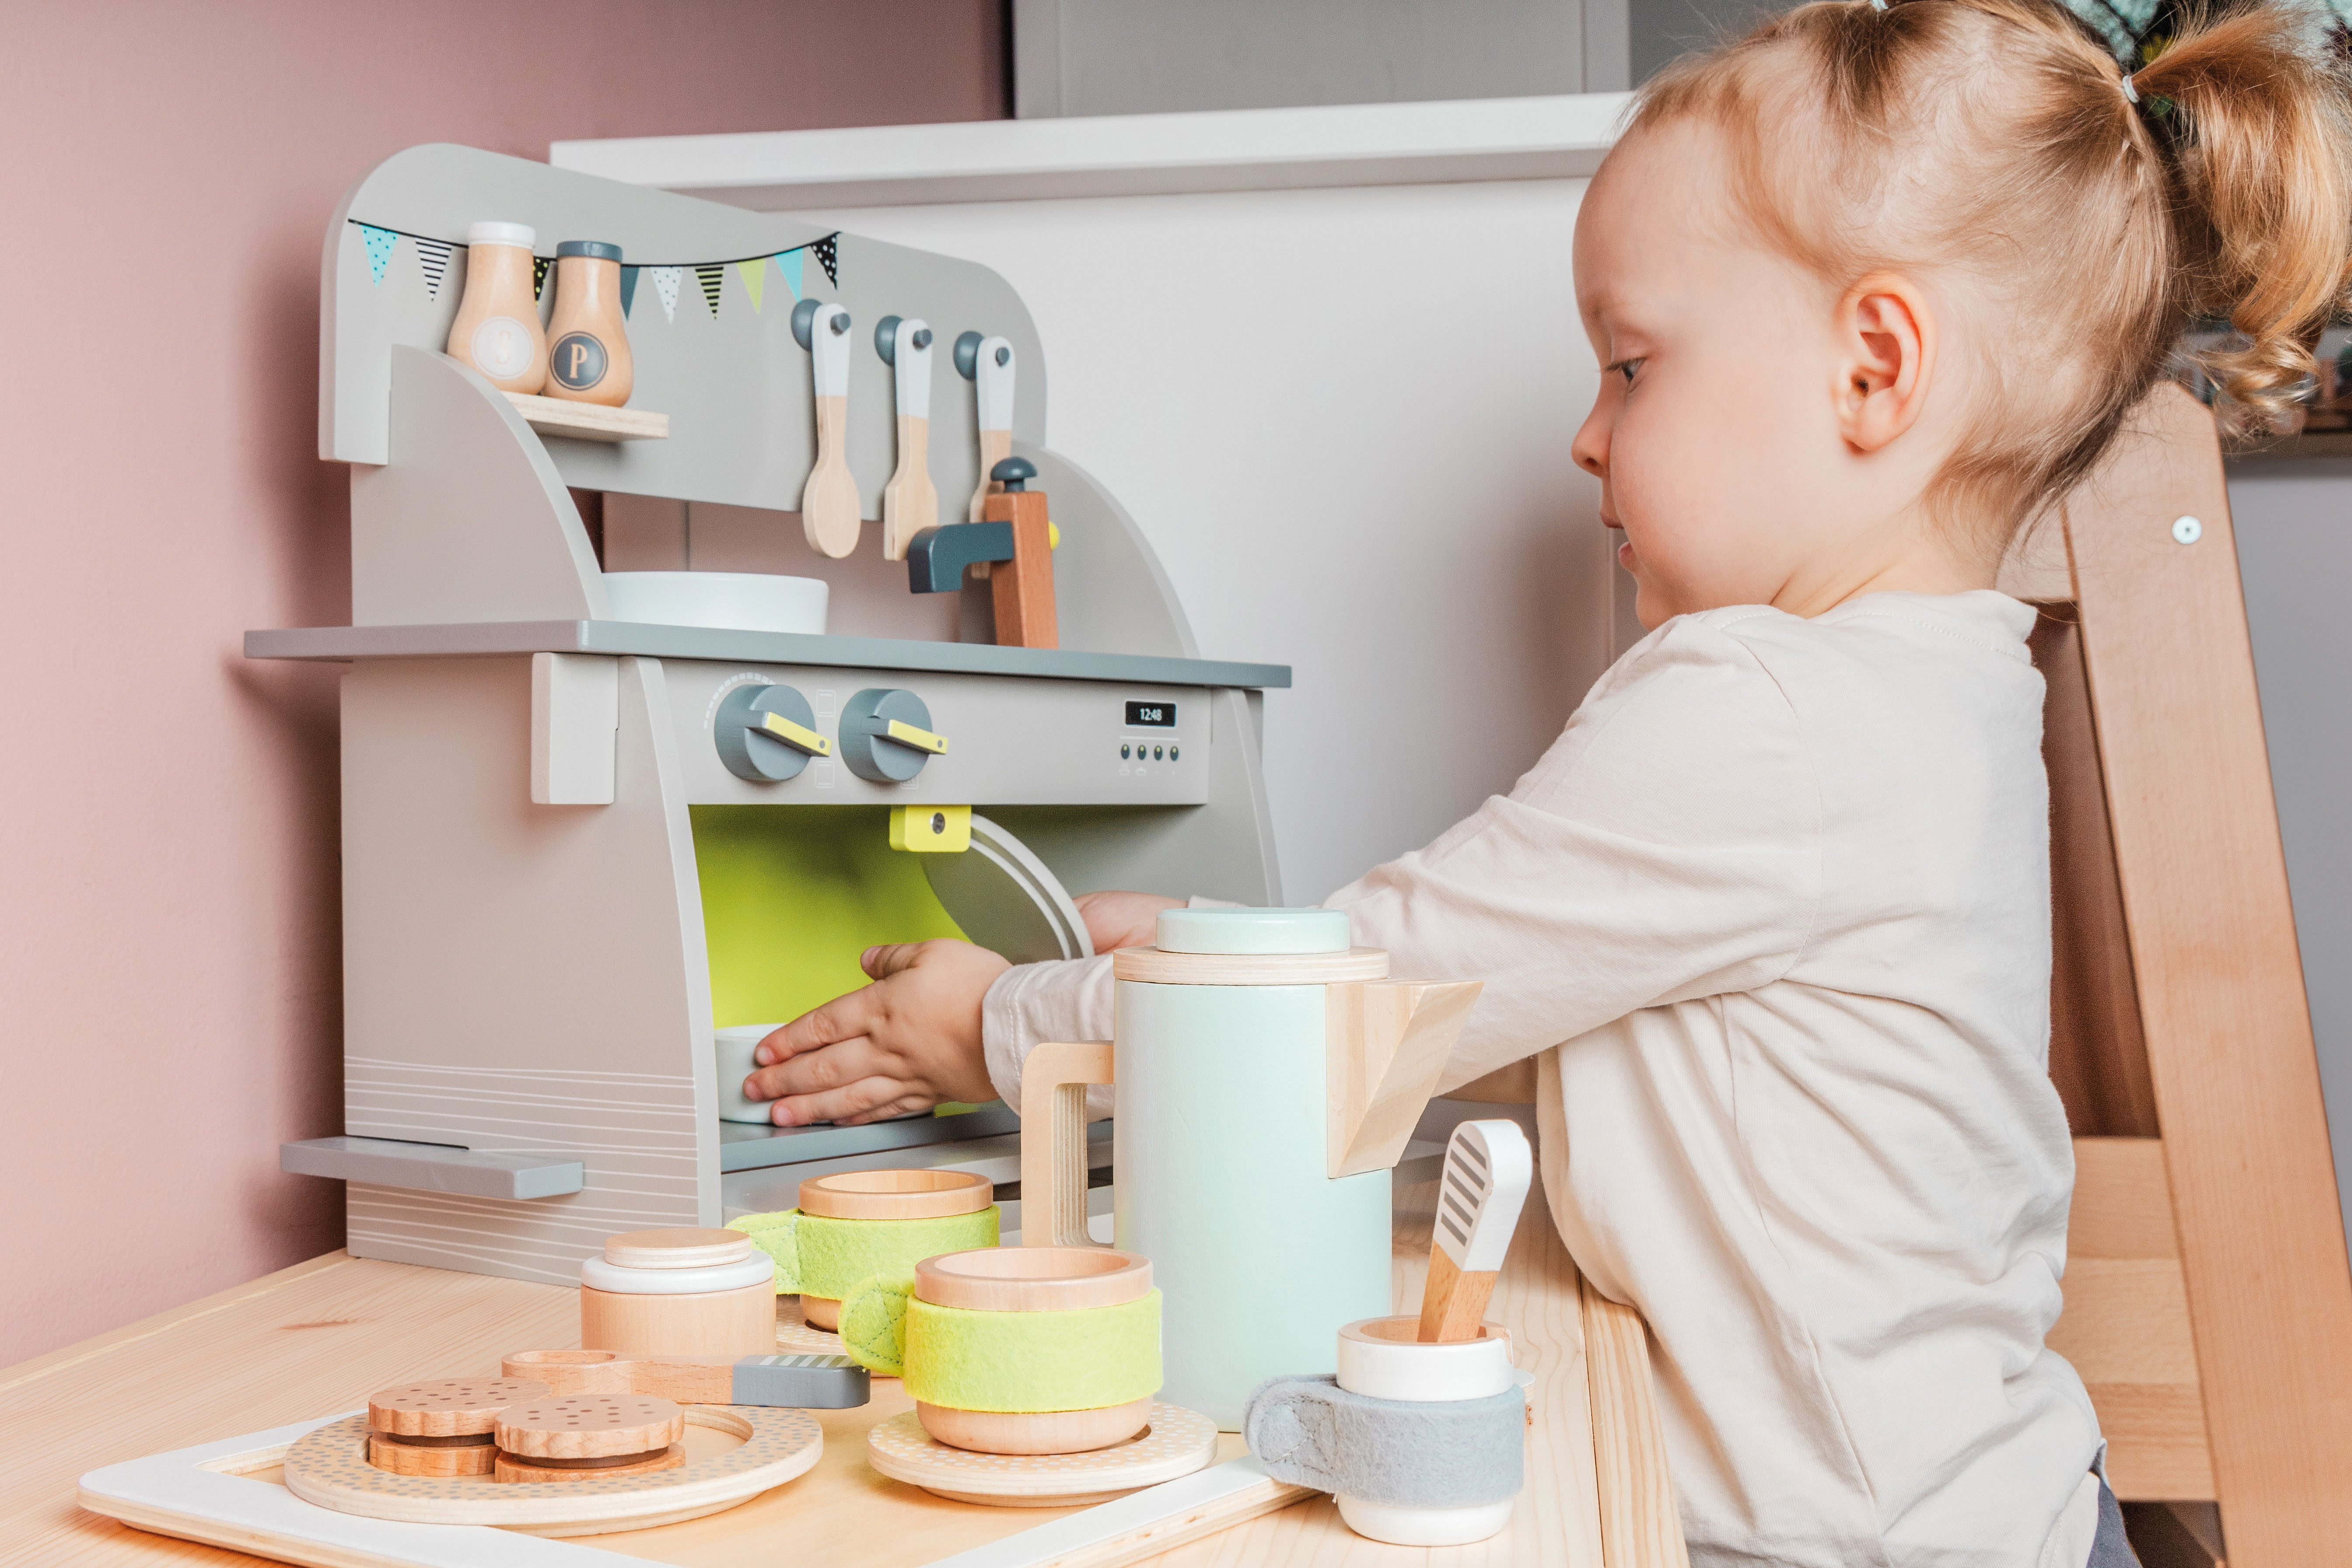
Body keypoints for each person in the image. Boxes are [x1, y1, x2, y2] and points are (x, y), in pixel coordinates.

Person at [742, 3, 2352, 1561]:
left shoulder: (1756, 706)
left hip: (1834, 1541)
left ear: (1873, 366)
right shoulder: (1938, 683)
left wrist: (997, 1019)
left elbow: (1388, 1000)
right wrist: (1218, 947)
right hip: (1980, 1502)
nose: (1586, 434)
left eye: (1630, 366)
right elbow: (1586, 993)